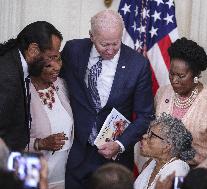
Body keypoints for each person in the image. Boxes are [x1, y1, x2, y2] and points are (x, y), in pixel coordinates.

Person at [61, 10, 154, 189]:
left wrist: (119, 144)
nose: (110, 50)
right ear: (91, 36)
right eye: (104, 44)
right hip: (77, 153)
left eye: (116, 43)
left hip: (114, 161)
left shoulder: (137, 64)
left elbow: (146, 115)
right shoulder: (73, 50)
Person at [155, 37, 207, 169]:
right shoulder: (162, 93)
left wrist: (195, 178)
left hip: (194, 173)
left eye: (181, 76)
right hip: (160, 168)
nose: (174, 80)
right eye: (171, 74)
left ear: (196, 75)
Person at [0, 21, 63, 151]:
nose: (55, 65)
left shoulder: (15, 61)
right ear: (33, 50)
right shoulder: (8, 76)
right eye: (51, 57)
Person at [26, 56, 74, 188]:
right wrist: (40, 143)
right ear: (35, 67)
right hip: (35, 176)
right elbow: (9, 138)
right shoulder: (23, 91)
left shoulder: (61, 84)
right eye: (48, 66)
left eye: (58, 60)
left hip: (64, 173)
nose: (57, 68)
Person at [135, 113, 195, 189]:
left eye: (152, 136)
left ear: (167, 146)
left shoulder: (179, 171)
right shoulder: (153, 162)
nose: (144, 136)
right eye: (148, 133)